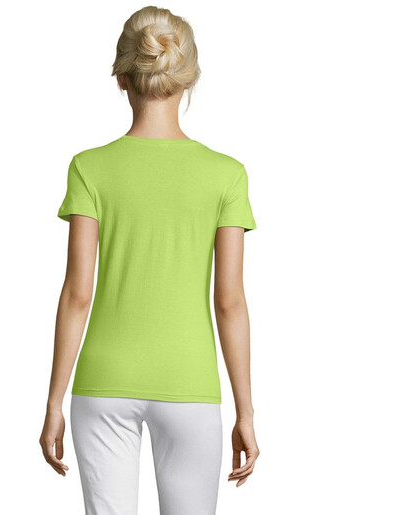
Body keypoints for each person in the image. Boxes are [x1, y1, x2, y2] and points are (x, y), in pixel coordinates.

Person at [39, 5, 260, 514]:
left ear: (121, 78)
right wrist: (246, 412)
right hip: (190, 384)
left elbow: (77, 293)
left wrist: (53, 402)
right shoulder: (227, 174)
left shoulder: (89, 168)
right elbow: (229, 301)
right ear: (189, 79)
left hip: (103, 382)